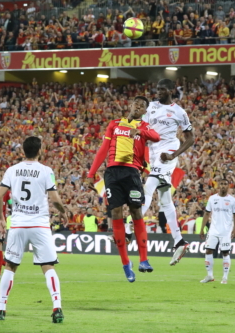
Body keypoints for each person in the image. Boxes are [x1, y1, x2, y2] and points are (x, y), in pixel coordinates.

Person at [0, 136, 68, 323]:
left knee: (10, 266)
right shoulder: (46, 171)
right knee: (48, 266)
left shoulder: (12, 170)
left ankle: (1, 310)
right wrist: (64, 213)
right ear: (40, 150)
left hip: (17, 224)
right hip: (40, 225)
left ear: (22, 151)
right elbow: (55, 199)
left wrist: (1, 219)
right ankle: (57, 307)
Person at [87, 96, 160, 282]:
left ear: (144, 111)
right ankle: (126, 264)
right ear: (131, 105)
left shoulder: (144, 126)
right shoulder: (115, 124)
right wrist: (91, 173)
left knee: (136, 211)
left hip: (132, 174)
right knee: (116, 213)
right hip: (112, 173)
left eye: (142, 106)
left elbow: (156, 137)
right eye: (136, 103)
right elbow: (104, 148)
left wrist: (139, 132)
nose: (138, 107)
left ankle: (144, 259)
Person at [140, 78, 195, 266]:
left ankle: (131, 226)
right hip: (154, 154)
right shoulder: (150, 108)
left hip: (168, 153)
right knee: (164, 199)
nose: (159, 92)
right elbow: (142, 131)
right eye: (157, 89)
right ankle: (179, 241)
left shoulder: (179, 112)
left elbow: (190, 138)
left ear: (171, 90)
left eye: (162, 89)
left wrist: (174, 156)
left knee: (150, 185)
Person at [199, 178, 235, 284]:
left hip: (226, 231)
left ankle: (225, 277)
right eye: (221, 184)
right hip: (213, 230)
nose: (223, 186)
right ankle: (210, 275)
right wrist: (202, 228)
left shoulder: (232, 200)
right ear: (218, 186)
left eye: (225, 184)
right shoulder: (212, 199)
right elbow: (207, 214)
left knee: (225, 252)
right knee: (208, 251)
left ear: (228, 186)